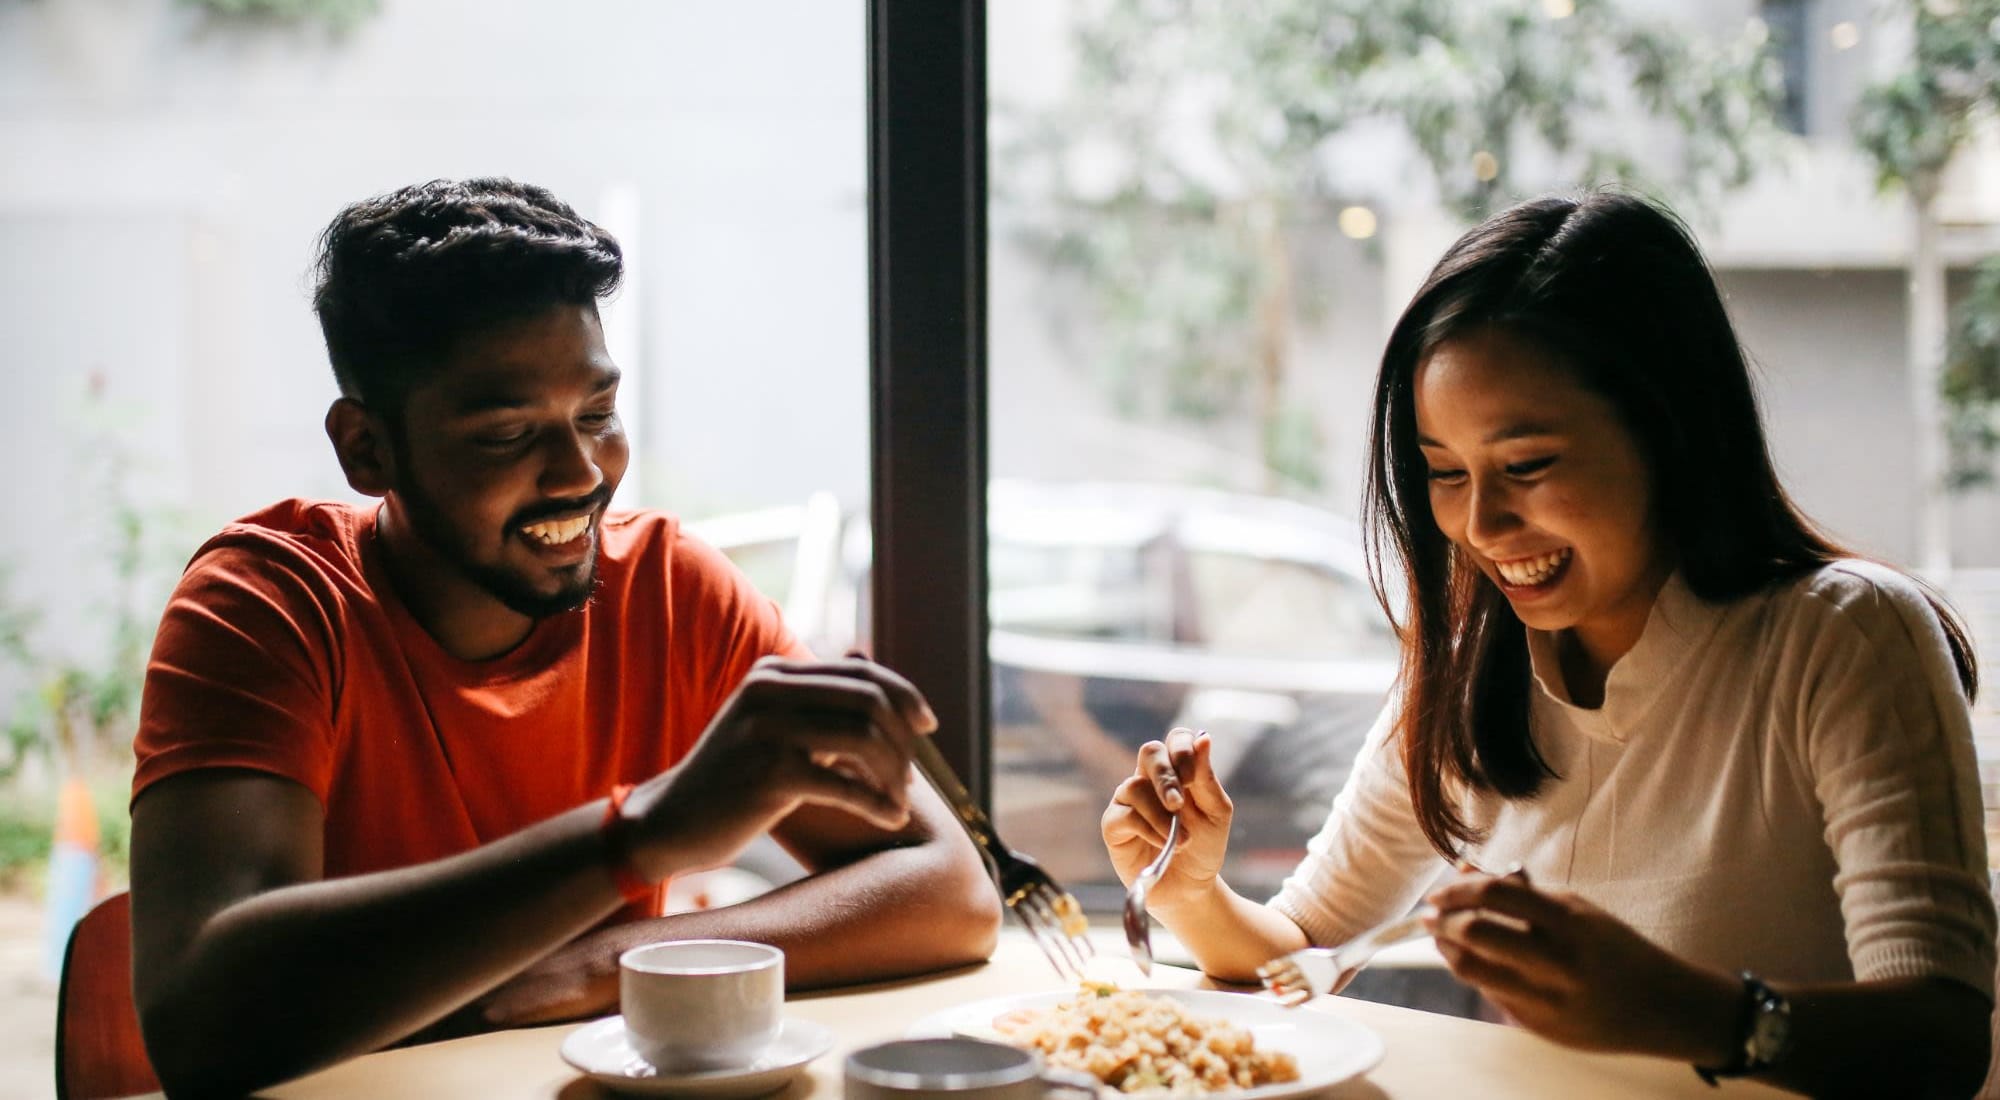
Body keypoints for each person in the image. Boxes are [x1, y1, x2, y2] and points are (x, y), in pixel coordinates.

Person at [1102, 192, 1996, 1095]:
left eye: (1526, 466)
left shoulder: (1844, 636)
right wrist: (1188, 891)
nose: (1479, 522)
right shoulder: (1470, 669)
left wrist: (1689, 1012)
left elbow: (1943, 1037)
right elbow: (1300, 950)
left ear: (1667, 428)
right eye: (1445, 472)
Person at [127, 178, 1001, 1097]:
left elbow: (950, 891)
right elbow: (200, 1021)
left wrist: (594, 966)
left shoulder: (669, 591)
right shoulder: (268, 606)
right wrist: (640, 836)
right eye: (508, 434)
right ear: (367, 450)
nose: (581, 473)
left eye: (597, 415)